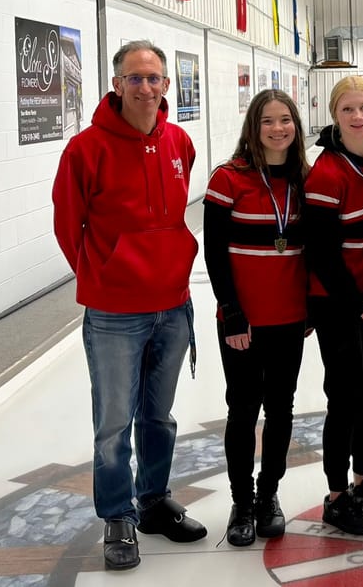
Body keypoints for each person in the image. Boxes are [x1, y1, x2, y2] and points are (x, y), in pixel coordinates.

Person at [52, 40, 206, 571]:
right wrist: (106, 276)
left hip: (173, 305)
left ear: (168, 85)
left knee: (158, 417)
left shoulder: (179, 141)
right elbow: (68, 226)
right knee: (114, 422)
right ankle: (118, 516)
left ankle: (154, 500)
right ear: (116, 84)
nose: (146, 87)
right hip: (116, 314)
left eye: (155, 78)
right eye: (135, 78)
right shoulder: (85, 148)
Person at [203, 89, 310, 547]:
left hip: (290, 319)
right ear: (253, 127)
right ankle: (241, 502)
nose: (278, 128)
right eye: (268, 120)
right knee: (243, 410)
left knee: (282, 408)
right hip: (243, 320)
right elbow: (214, 252)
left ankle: (269, 496)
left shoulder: (306, 179)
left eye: (285, 120)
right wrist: (231, 312)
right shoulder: (229, 178)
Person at [303, 76, 363, 536]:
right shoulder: (327, 172)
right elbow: (321, 255)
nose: (358, 117)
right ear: (335, 116)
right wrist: (360, 307)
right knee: (346, 397)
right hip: (339, 304)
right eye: (348, 110)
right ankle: (337, 496)